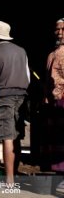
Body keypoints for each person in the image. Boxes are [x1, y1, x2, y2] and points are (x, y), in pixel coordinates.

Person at [0, 21, 30, 185]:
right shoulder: (21, 51)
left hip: (5, 96)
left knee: (7, 137)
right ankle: (14, 174)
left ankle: (9, 181)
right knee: (16, 136)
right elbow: (28, 76)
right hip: (23, 96)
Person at [43, 17, 64, 172]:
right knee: (57, 136)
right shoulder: (51, 54)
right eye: (57, 29)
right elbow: (46, 79)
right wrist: (45, 94)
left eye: (63, 29)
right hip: (55, 100)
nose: (59, 33)